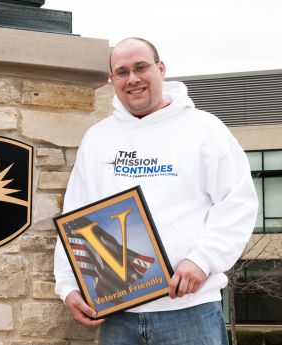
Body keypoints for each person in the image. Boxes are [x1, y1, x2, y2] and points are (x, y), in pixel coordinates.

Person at [54, 37, 258, 345]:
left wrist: (202, 259)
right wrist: (68, 285)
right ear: (112, 80)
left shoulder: (205, 129)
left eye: (141, 67)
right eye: (122, 72)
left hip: (190, 313)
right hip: (118, 316)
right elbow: (76, 215)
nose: (132, 78)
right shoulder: (98, 139)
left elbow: (238, 202)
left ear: (160, 69)